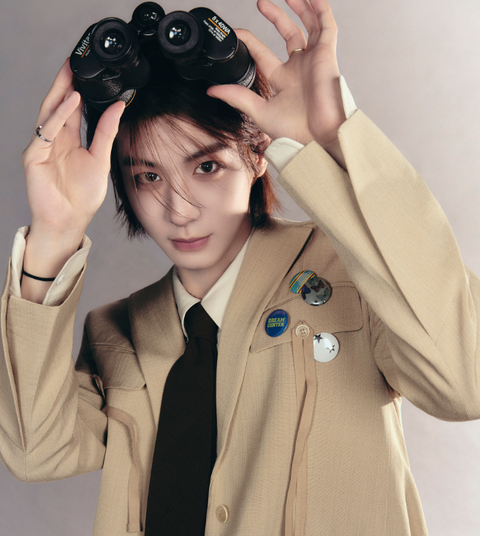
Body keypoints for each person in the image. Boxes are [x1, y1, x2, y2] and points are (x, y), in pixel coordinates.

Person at [1, 0, 479, 534]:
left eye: (207, 166)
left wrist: (336, 137)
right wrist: (54, 235)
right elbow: (35, 452)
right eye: (148, 177)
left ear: (257, 154)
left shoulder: (354, 272)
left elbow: (466, 381)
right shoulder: (120, 333)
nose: (179, 210)